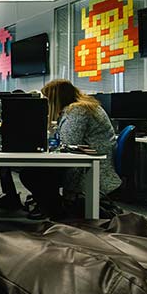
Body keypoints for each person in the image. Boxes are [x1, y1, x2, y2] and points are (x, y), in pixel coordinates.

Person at [19, 79, 121, 218]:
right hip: (87, 160)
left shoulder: (78, 110)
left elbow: (67, 143)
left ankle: (56, 210)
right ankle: (52, 206)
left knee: (31, 174)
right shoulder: (81, 107)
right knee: (38, 171)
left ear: (55, 98)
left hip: (91, 166)